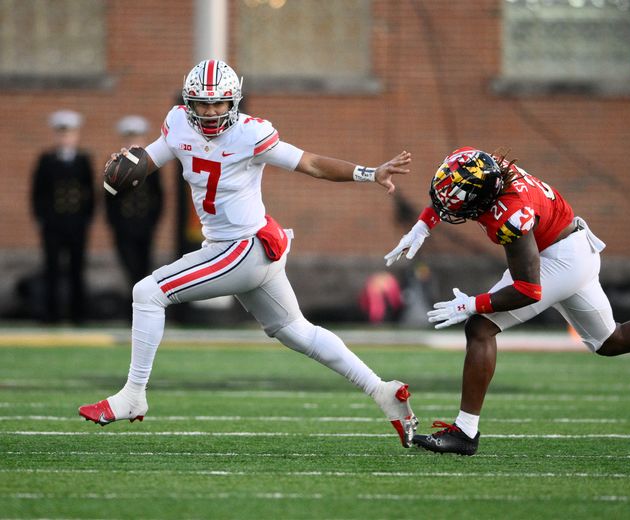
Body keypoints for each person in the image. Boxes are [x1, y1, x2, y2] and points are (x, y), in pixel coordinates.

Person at [78, 59, 418, 447]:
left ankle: (133, 395)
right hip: (239, 249)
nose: (209, 112)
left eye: (219, 104)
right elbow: (152, 157)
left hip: (243, 247)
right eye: (202, 104)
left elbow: (311, 164)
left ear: (233, 102)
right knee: (295, 332)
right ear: (189, 103)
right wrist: (130, 165)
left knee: (148, 292)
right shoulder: (177, 124)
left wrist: (368, 172)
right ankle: (383, 392)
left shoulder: (251, 134)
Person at [384, 146, 630, 456]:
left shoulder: (511, 216)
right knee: (609, 341)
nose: (449, 205)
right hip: (571, 246)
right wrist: (423, 224)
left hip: (558, 259)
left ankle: (465, 433)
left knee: (481, 327)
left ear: (487, 197)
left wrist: (472, 304)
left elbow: (527, 290)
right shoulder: (484, 165)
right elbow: (456, 189)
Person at [31, 109, 95, 324]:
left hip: (76, 223)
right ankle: (51, 314)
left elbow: (90, 193)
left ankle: (79, 314)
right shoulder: (46, 160)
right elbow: (38, 192)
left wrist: (86, 219)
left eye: (70, 134)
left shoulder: (83, 160)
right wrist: (43, 218)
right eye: (62, 134)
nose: (65, 138)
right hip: (53, 223)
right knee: (52, 268)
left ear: (76, 136)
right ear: (56, 136)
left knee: (77, 267)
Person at [105, 115, 164, 290]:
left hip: (144, 224)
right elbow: (109, 199)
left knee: (144, 267)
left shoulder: (151, 167)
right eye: (130, 138)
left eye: (137, 138)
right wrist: (115, 223)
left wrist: (153, 221)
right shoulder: (115, 165)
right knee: (128, 266)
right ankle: (129, 306)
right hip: (123, 225)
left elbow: (158, 197)